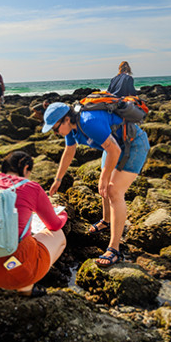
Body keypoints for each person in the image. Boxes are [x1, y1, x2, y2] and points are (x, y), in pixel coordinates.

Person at [42, 102, 150, 268]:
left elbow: (115, 150)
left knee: (113, 191)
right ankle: (106, 221)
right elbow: (69, 150)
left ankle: (114, 249)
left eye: (55, 128)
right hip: (113, 146)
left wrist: (105, 177)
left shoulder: (88, 122)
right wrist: (58, 179)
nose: (55, 132)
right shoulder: (72, 127)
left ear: (66, 119)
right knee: (104, 185)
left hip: (133, 144)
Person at [0, 151, 67, 297]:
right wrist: (62, 215)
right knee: (59, 236)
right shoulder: (32, 187)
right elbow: (54, 225)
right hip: (16, 267)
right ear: (26, 168)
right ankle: (26, 286)